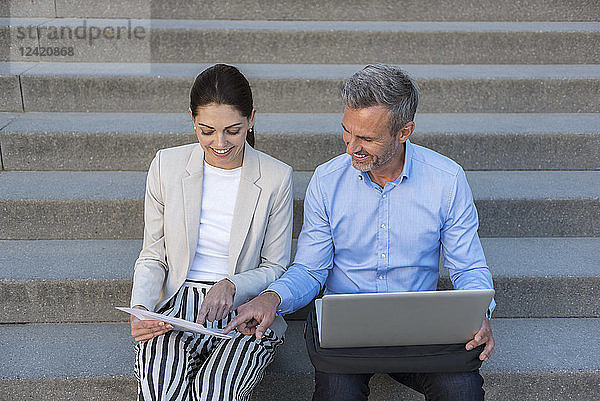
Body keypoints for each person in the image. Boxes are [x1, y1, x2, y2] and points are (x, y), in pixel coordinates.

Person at [224, 64, 496, 401]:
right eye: (347, 132)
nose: (352, 147)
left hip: (419, 327)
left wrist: (477, 313)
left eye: (366, 138)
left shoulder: (447, 180)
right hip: (347, 331)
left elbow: (469, 268)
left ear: (404, 131)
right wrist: (272, 297)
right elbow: (311, 268)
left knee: (462, 392)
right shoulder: (327, 181)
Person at [129, 63, 293, 401]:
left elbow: (276, 267)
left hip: (243, 310)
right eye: (206, 131)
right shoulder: (166, 165)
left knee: (214, 393)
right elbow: (153, 252)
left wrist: (231, 283)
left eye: (233, 131)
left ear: (251, 119)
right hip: (175, 306)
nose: (220, 143)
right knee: (161, 389)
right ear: (192, 119)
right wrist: (141, 309)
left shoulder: (276, 176)